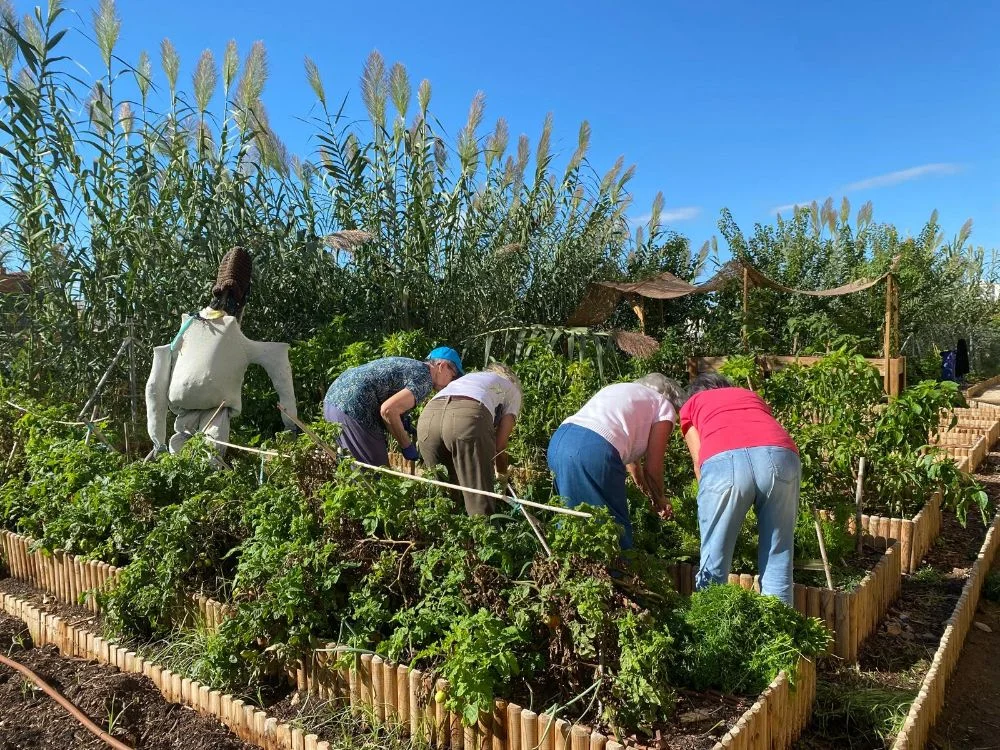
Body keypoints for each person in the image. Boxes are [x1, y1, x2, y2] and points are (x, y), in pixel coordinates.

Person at [145, 246, 298, 458]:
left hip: (185, 406)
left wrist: (158, 439)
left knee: (181, 450)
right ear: (245, 295)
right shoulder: (229, 331)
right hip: (215, 407)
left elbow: (155, 383)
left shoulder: (189, 324)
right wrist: (291, 423)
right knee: (210, 455)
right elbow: (278, 362)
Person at [680, 373, 799, 606]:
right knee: (778, 554)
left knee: (713, 562)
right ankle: (780, 634)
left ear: (696, 393)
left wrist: (714, 506)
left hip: (723, 462)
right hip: (781, 456)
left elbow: (698, 464)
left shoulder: (691, 405)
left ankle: (709, 632)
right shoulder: (750, 396)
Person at [546, 374, 686, 549]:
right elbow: (653, 466)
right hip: (594, 450)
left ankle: (572, 570)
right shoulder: (664, 407)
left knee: (571, 518)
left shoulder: (625, 392)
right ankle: (616, 574)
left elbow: (632, 460)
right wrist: (661, 499)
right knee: (612, 529)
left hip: (560, 442)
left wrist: (647, 493)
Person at [323, 347, 463, 467]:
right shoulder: (425, 378)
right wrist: (406, 445)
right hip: (354, 407)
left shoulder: (414, 367)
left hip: (333, 400)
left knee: (351, 467)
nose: (452, 382)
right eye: (454, 376)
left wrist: (401, 420)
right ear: (442, 366)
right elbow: (388, 410)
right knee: (373, 475)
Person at [417, 363, 523, 515]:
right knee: (479, 498)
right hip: (467, 418)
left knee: (442, 498)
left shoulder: (468, 379)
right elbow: (499, 446)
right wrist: (502, 478)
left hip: (428, 418)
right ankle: (484, 534)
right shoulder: (512, 390)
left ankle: (439, 535)